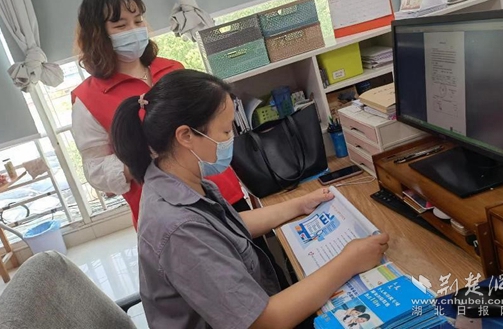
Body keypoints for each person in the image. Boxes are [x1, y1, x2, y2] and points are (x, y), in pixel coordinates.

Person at [111, 69, 390, 329]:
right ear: (186, 136)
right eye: (225, 131)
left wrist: (298, 205)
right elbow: (263, 322)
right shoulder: (178, 229)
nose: (230, 139)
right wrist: (349, 260)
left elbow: (224, 228)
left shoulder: (172, 178)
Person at [70, 0, 245, 228]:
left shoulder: (173, 68)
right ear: (97, 34)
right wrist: (145, 154)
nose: (134, 30)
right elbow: (95, 170)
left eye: (138, 21)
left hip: (221, 192)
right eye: (120, 26)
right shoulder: (87, 99)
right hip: (171, 215)